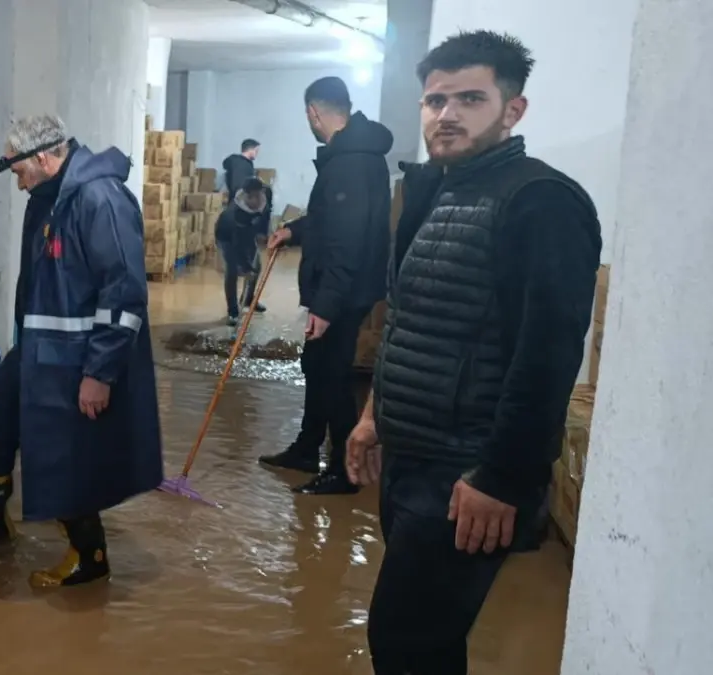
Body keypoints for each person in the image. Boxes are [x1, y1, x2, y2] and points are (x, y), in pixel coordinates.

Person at [345, 31, 601, 675]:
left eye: (469, 98)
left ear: (512, 110)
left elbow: (546, 356)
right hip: (412, 453)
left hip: (468, 471)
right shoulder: (433, 188)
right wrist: (375, 415)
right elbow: (406, 318)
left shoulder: (541, 202)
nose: (446, 114)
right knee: (419, 643)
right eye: (435, 100)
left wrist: (503, 479)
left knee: (407, 642)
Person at [0, 115, 163, 587]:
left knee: (67, 454)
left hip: (79, 356)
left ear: (42, 157)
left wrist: (99, 373)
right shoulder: (51, 197)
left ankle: (89, 555)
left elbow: (124, 293)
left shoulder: (99, 199)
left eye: (18, 173)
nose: (17, 186)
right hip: (41, 349)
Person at [260, 76, 392, 495]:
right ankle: (306, 447)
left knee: (332, 377)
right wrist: (294, 231)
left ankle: (342, 469)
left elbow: (346, 241)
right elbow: (329, 220)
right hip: (345, 289)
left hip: (342, 292)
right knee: (316, 368)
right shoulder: (353, 154)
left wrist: (326, 305)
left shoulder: (350, 162)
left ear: (313, 113)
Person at [214, 177, 273, 325]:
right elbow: (238, 245)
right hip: (227, 237)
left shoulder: (267, 195)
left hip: (247, 232)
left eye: (258, 195)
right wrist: (246, 267)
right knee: (233, 270)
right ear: (246, 196)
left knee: (257, 266)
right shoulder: (234, 215)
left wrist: (265, 234)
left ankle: (248, 300)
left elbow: (266, 215)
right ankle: (233, 312)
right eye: (251, 197)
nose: (255, 200)